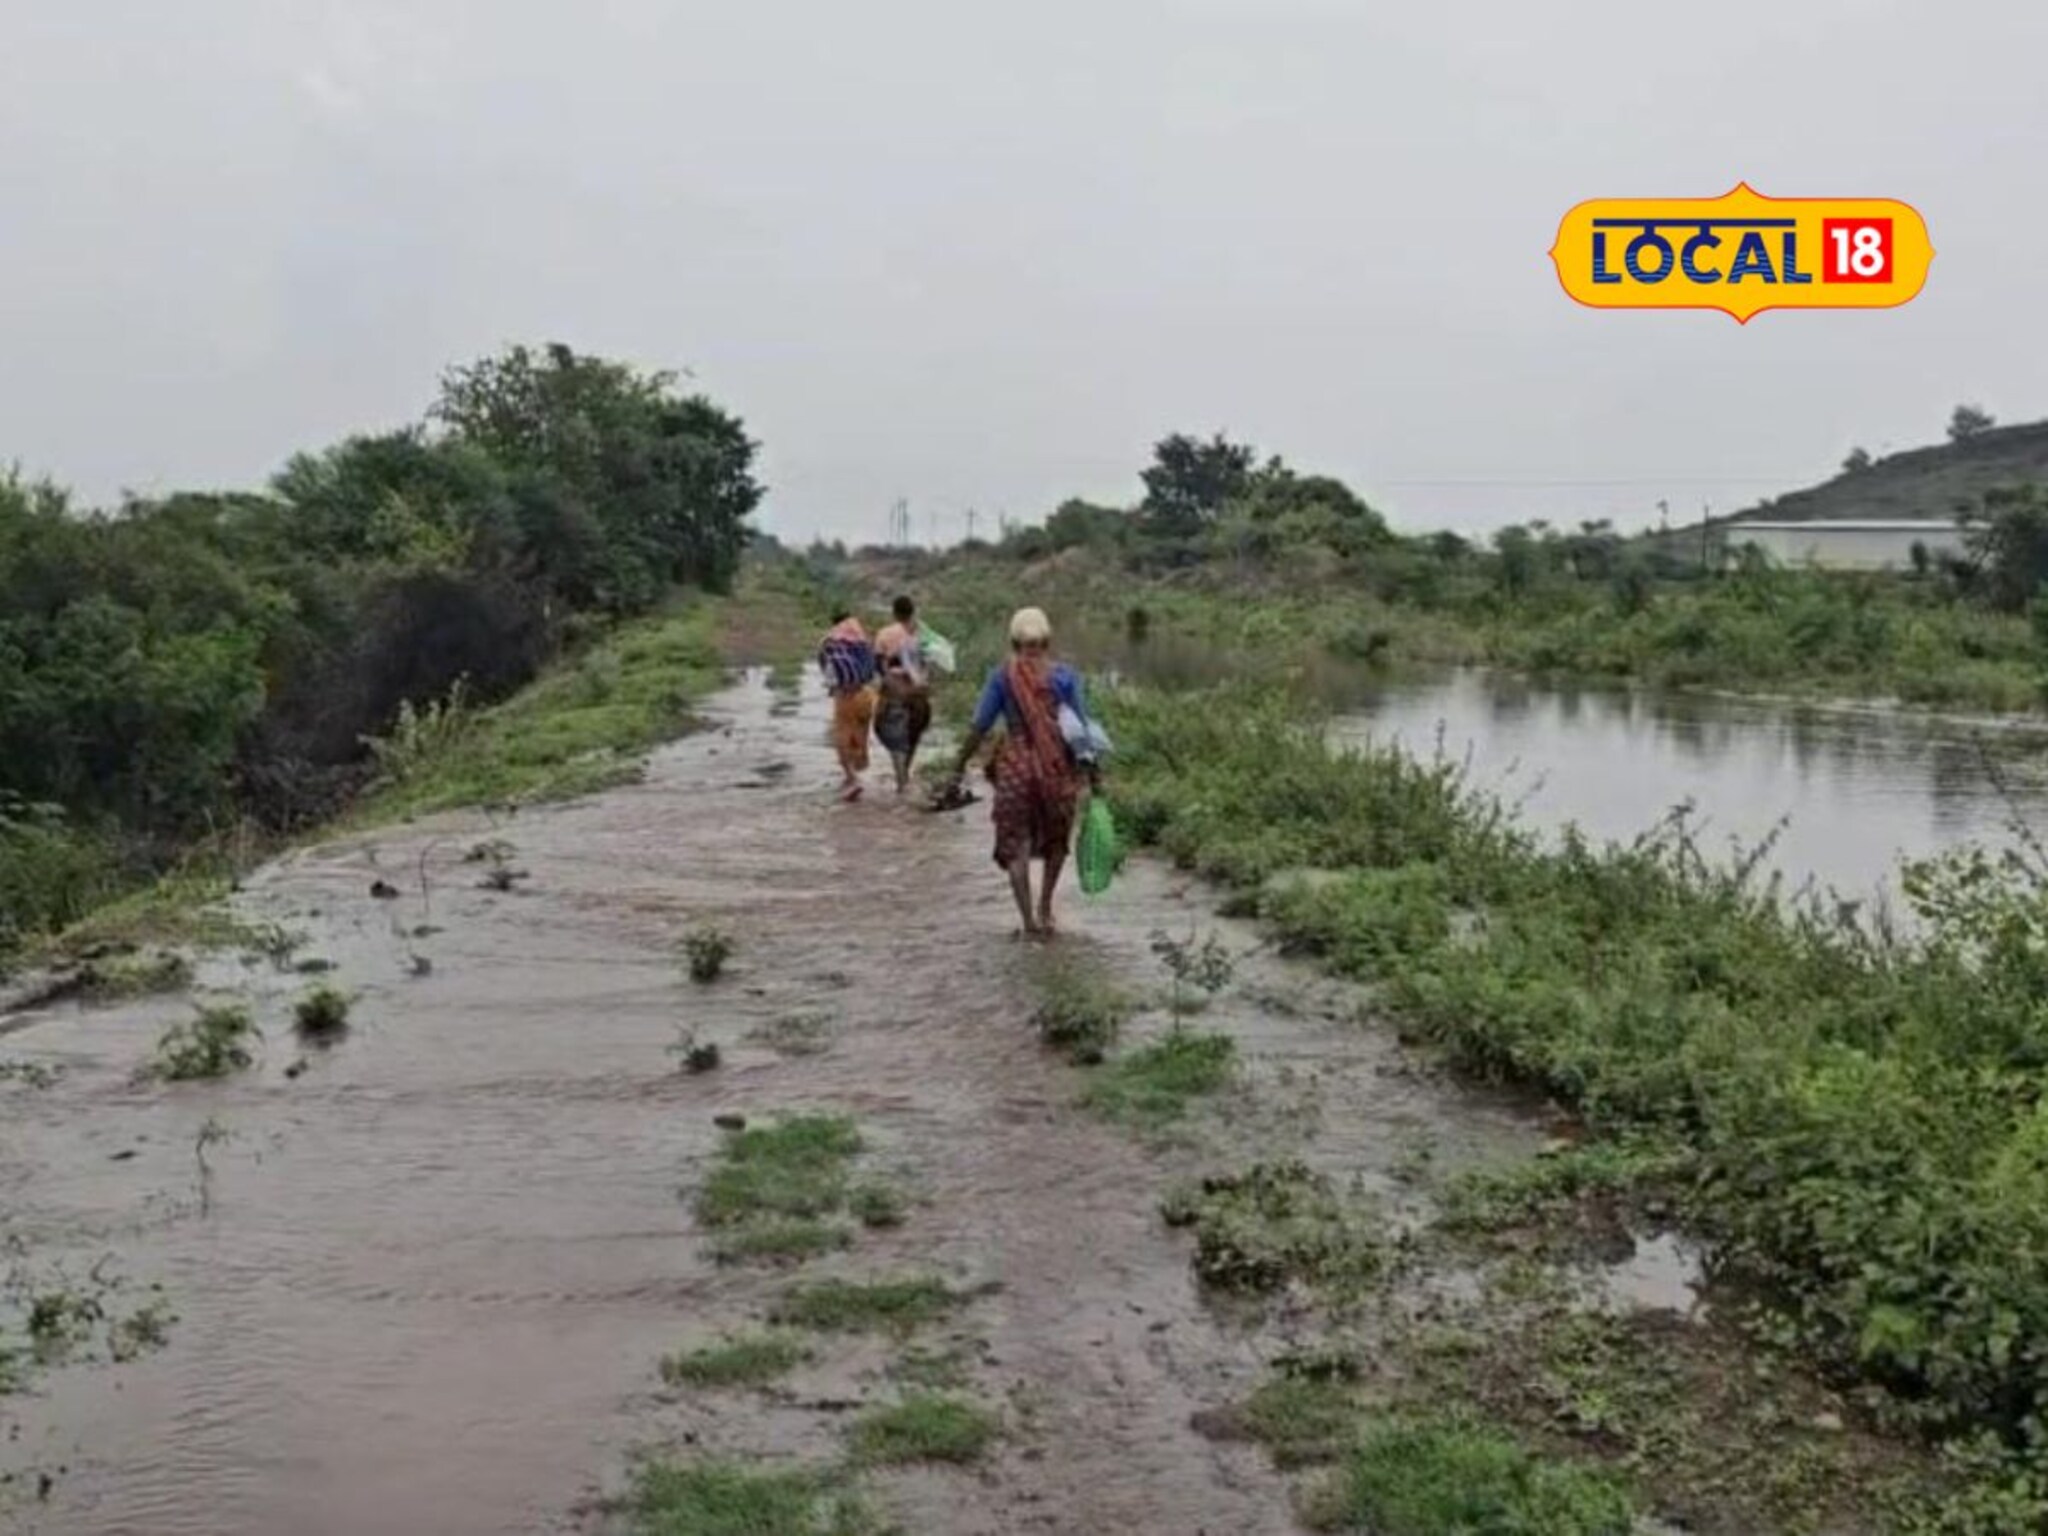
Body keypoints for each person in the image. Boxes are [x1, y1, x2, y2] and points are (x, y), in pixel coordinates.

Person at [944, 607, 1100, 938]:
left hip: (1015, 766)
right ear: (1047, 640)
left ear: (1014, 641)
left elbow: (980, 726)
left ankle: (1028, 921)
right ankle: (1046, 907)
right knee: (1057, 839)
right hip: (1056, 766)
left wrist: (958, 764)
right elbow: (1082, 727)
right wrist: (1095, 774)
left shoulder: (1002, 676)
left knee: (1017, 844)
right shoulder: (1065, 677)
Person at [873, 594, 933, 794]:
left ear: (894, 612)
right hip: (919, 696)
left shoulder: (884, 634)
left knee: (895, 739)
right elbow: (929, 666)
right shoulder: (923, 635)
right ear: (913, 611)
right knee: (912, 736)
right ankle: (905, 776)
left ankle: (902, 784)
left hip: (896, 695)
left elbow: (879, 667)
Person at [817, 608, 878, 801]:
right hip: (866, 694)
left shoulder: (830, 641)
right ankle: (858, 770)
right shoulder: (862, 640)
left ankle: (852, 778)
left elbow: (825, 668)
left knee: (842, 737)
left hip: (845, 696)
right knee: (860, 734)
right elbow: (873, 669)